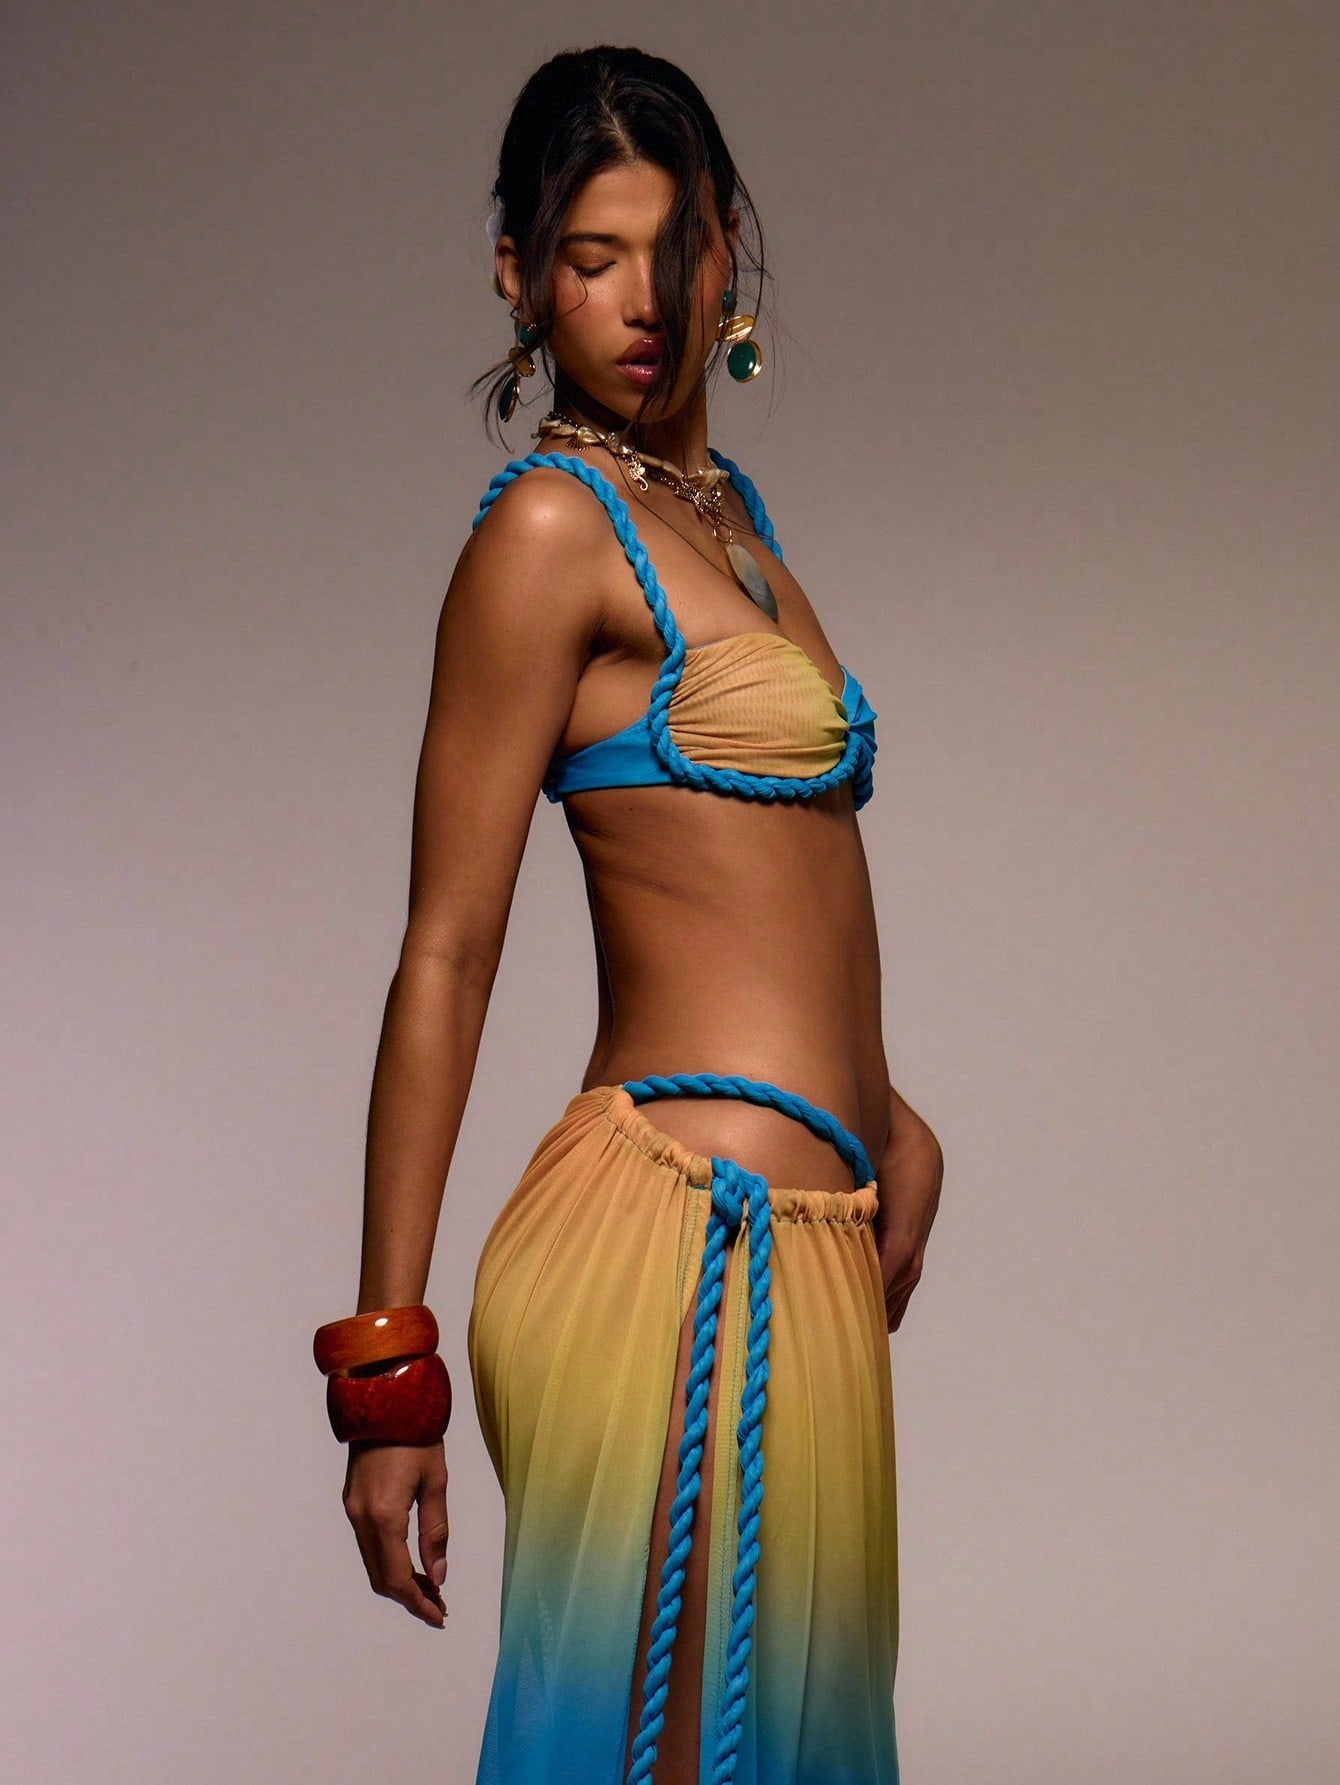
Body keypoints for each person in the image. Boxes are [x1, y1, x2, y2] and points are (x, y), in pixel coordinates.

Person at [312, 44, 944, 1785]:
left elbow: (758, 888)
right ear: (519, 277)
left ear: (730, 248)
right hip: (683, 1248)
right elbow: (448, 951)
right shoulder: (550, 529)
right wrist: (386, 1371)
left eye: (675, 249)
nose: (644, 301)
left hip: (805, 1244)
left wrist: (883, 1109)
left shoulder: (736, 525)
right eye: (592, 259)